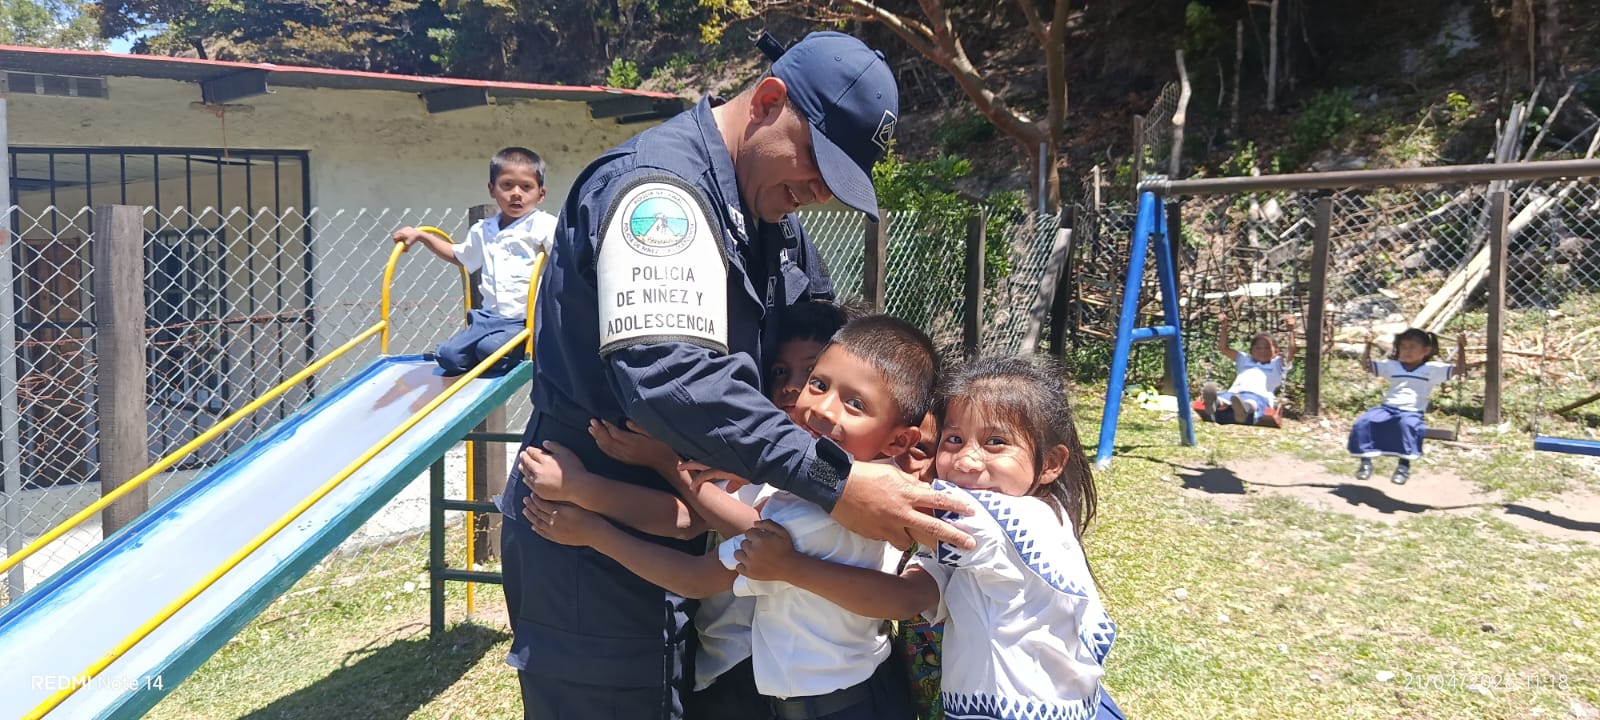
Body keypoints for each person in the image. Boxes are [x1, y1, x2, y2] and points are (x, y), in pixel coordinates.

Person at [501, 31, 972, 720]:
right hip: (586, 528)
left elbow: (830, 348)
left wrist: (908, 448)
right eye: (817, 163)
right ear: (769, 101)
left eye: (837, 183)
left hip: (712, 539)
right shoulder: (659, 195)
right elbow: (669, 377)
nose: (818, 193)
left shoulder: (772, 217)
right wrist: (836, 482)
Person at [524, 314, 937, 720]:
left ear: (899, 440)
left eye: (855, 404)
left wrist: (594, 529)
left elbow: (694, 575)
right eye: (819, 384)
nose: (822, 408)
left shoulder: (817, 508)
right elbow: (696, 518)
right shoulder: (850, 487)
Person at [734, 355, 1125, 720]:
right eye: (953, 440)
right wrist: (792, 564)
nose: (967, 460)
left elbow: (886, 506)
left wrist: (772, 465)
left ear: (1051, 464)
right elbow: (903, 597)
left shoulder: (1008, 519)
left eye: (995, 443)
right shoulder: (977, 538)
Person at [392, 147, 556, 375]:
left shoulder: (543, 225)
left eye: (526, 187)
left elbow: (564, 256)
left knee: (489, 350)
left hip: (522, 321)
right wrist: (422, 236)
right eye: (507, 185)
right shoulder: (483, 230)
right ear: (492, 189)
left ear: (541, 194)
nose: (516, 193)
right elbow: (460, 256)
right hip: (486, 319)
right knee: (447, 356)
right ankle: (483, 352)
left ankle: (509, 350)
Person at [1348, 328, 1464, 484]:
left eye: (1412, 347)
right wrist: (1368, 346)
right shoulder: (1392, 366)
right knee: (1363, 422)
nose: (1407, 351)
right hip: (1387, 408)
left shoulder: (1432, 369)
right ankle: (1365, 463)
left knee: (1408, 426)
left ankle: (1403, 466)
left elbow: (1460, 369)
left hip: (1412, 411)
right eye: (1403, 347)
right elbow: (1367, 366)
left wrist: (1461, 347)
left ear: (1426, 350)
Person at [1198, 313, 1297, 427]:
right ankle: (1215, 403)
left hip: (1260, 396)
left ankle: (1244, 410)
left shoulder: (1277, 364)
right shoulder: (1244, 360)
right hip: (1235, 394)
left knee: (1252, 402)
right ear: (1251, 351)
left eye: (1267, 348)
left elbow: (1291, 351)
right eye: (1258, 348)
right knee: (1225, 398)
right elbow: (1223, 349)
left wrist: (1291, 331)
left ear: (1276, 351)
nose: (1262, 351)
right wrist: (1224, 327)